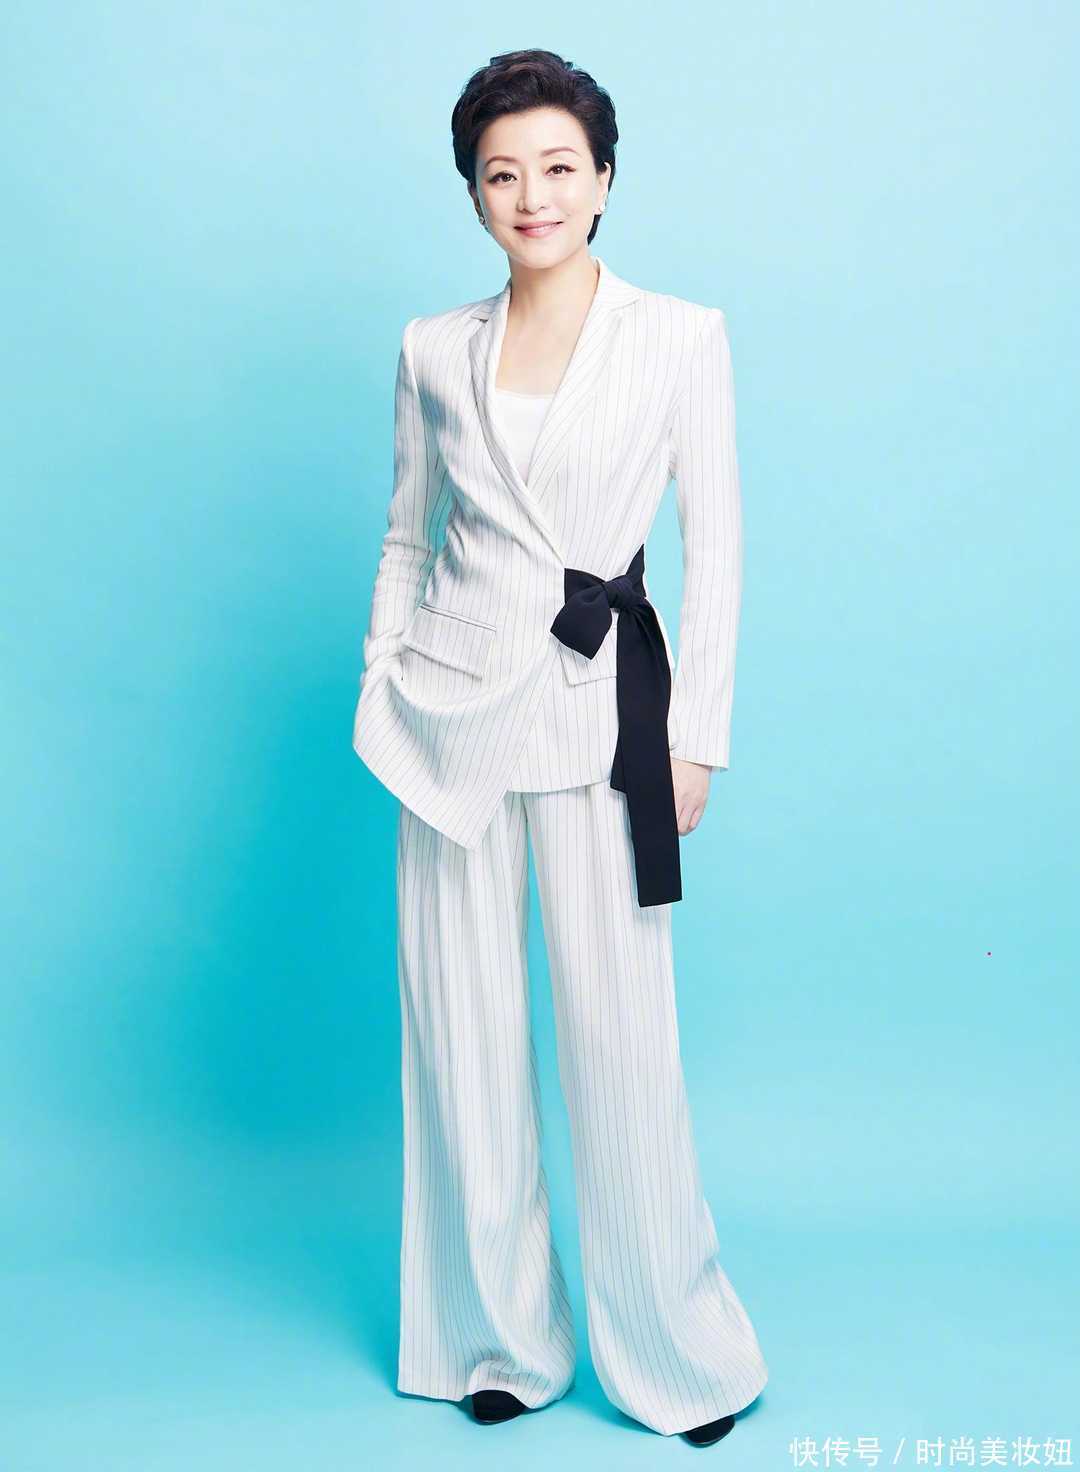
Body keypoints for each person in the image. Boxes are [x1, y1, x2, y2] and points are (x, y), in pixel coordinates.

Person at [352, 47, 768, 1447]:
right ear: (473, 192)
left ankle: (678, 1358)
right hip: (445, 722)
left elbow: (718, 551)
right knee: (461, 1043)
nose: (531, 195)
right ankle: (495, 1342)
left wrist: (695, 737)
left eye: (557, 168)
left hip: (604, 715)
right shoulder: (432, 346)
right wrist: (380, 684)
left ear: (603, 181)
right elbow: (407, 535)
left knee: (622, 1046)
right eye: (501, 173)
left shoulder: (681, 336)